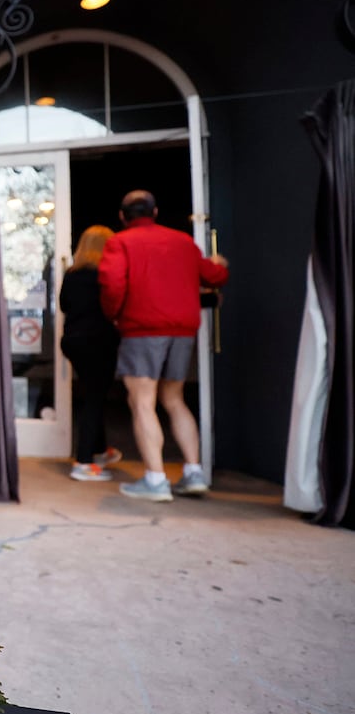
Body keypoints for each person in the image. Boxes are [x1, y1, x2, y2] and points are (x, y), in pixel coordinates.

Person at [99, 189, 229, 502]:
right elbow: (214, 276)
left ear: (122, 216)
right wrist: (221, 264)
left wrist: (114, 315)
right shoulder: (183, 241)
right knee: (174, 399)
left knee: (142, 402)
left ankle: (155, 480)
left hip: (142, 329)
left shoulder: (120, 242)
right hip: (182, 330)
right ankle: (193, 473)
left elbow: (111, 284)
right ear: (155, 212)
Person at [60, 225, 123, 481]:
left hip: (73, 341)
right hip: (99, 342)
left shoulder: (72, 274)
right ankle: (84, 462)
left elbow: (64, 305)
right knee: (95, 398)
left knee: (92, 394)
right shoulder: (106, 275)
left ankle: (99, 451)